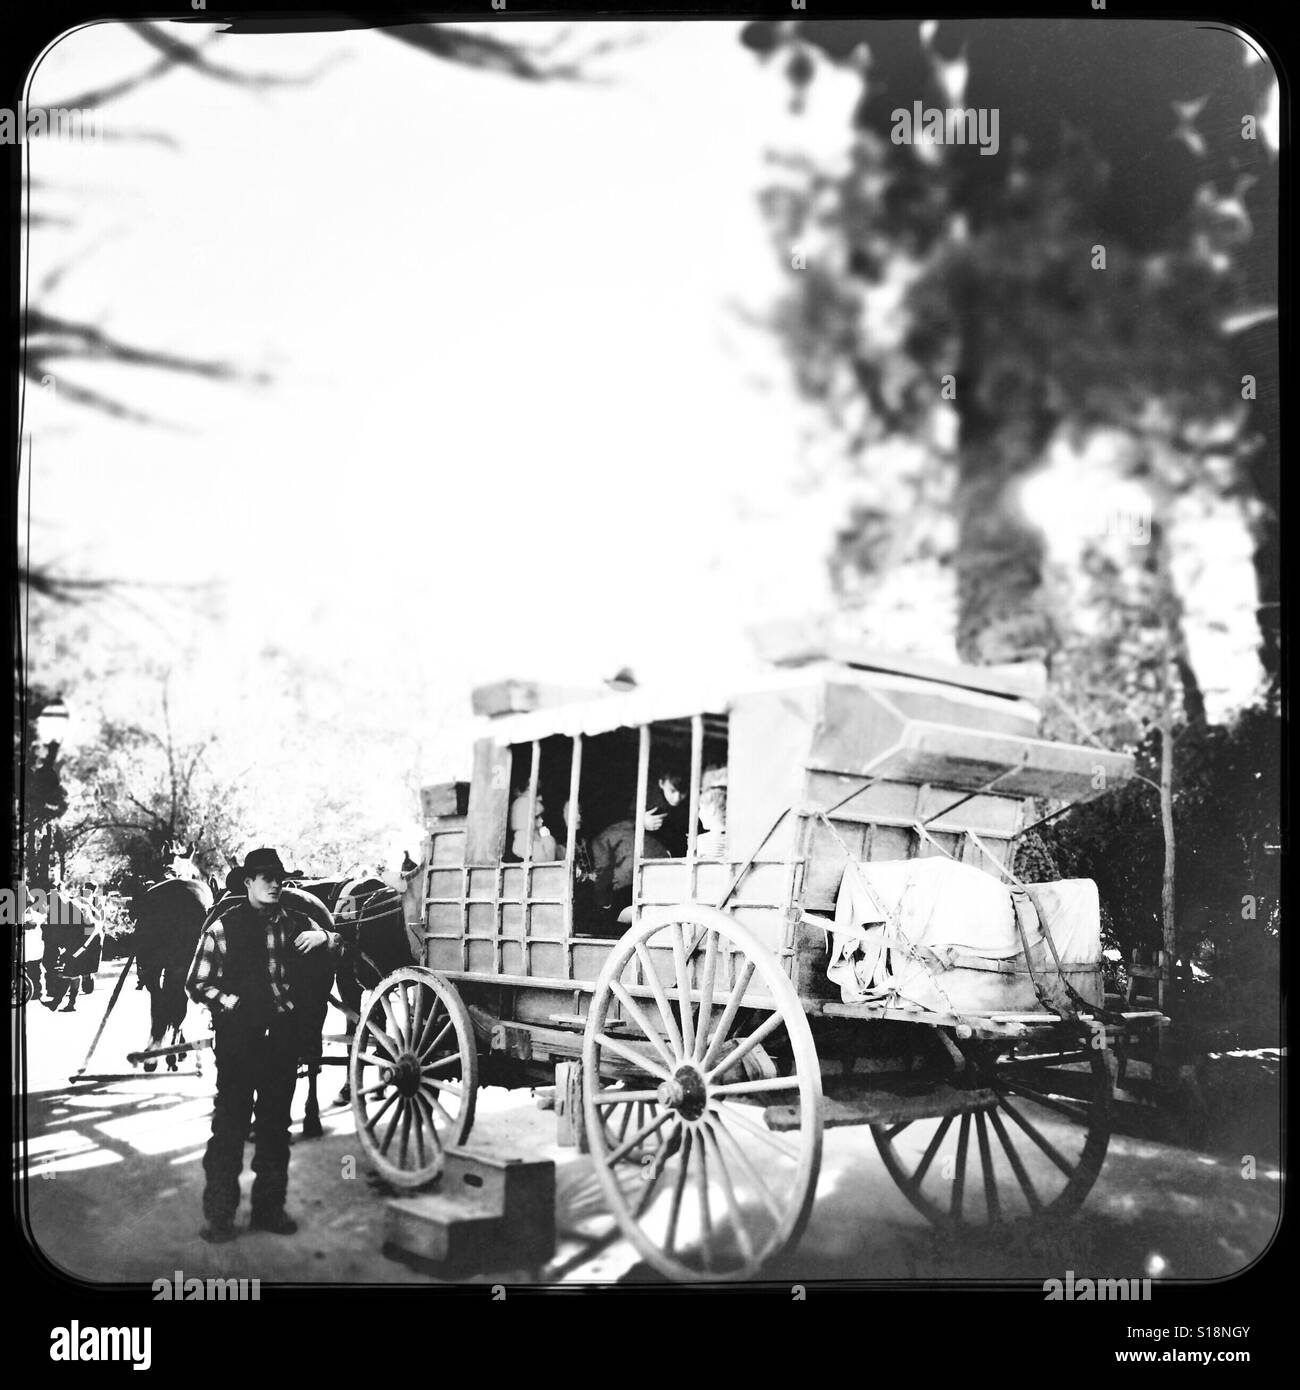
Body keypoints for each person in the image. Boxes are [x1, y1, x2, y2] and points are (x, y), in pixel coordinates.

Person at [186, 847, 341, 1244]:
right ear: (248, 882)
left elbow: (344, 942)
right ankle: (220, 1217)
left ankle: (269, 1210)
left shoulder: (297, 922)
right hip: (239, 1043)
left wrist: (325, 935)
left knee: (275, 1128)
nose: (275, 884)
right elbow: (198, 983)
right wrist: (234, 1005)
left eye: (279, 877)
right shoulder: (223, 927)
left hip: (282, 1043)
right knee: (230, 1128)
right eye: (265, 877)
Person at [589, 805, 671, 934]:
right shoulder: (626, 826)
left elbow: (603, 872)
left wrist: (603, 904)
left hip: (638, 883)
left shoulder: (600, 839)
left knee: (609, 917)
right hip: (665, 878)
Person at [509, 790, 560, 862]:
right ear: (525, 818)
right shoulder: (523, 840)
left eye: (541, 816)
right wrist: (547, 838)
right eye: (536, 817)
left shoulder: (534, 836)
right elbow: (545, 860)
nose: (541, 820)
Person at [696, 786, 727, 859]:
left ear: (711, 809)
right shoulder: (734, 839)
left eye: (700, 808)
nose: (699, 814)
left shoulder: (701, 840)